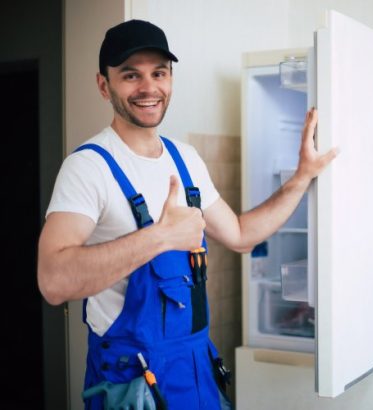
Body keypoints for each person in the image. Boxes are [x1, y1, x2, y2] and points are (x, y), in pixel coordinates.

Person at [37, 19, 337, 410]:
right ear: (103, 84)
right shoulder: (88, 167)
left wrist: (302, 177)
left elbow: (242, 234)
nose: (149, 88)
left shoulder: (186, 160)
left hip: (196, 372)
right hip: (132, 385)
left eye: (159, 73)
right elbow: (53, 281)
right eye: (131, 75)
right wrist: (159, 237)